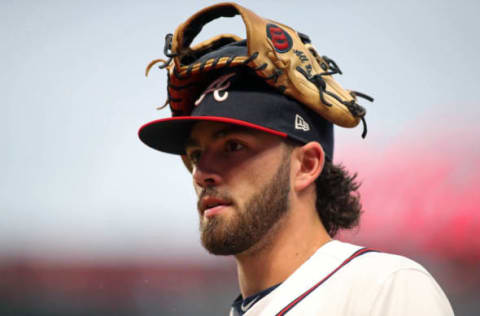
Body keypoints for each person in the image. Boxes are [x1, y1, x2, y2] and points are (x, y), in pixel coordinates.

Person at [138, 4, 454, 315]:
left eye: (233, 146)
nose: (201, 173)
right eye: (195, 154)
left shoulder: (385, 289)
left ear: (306, 165)